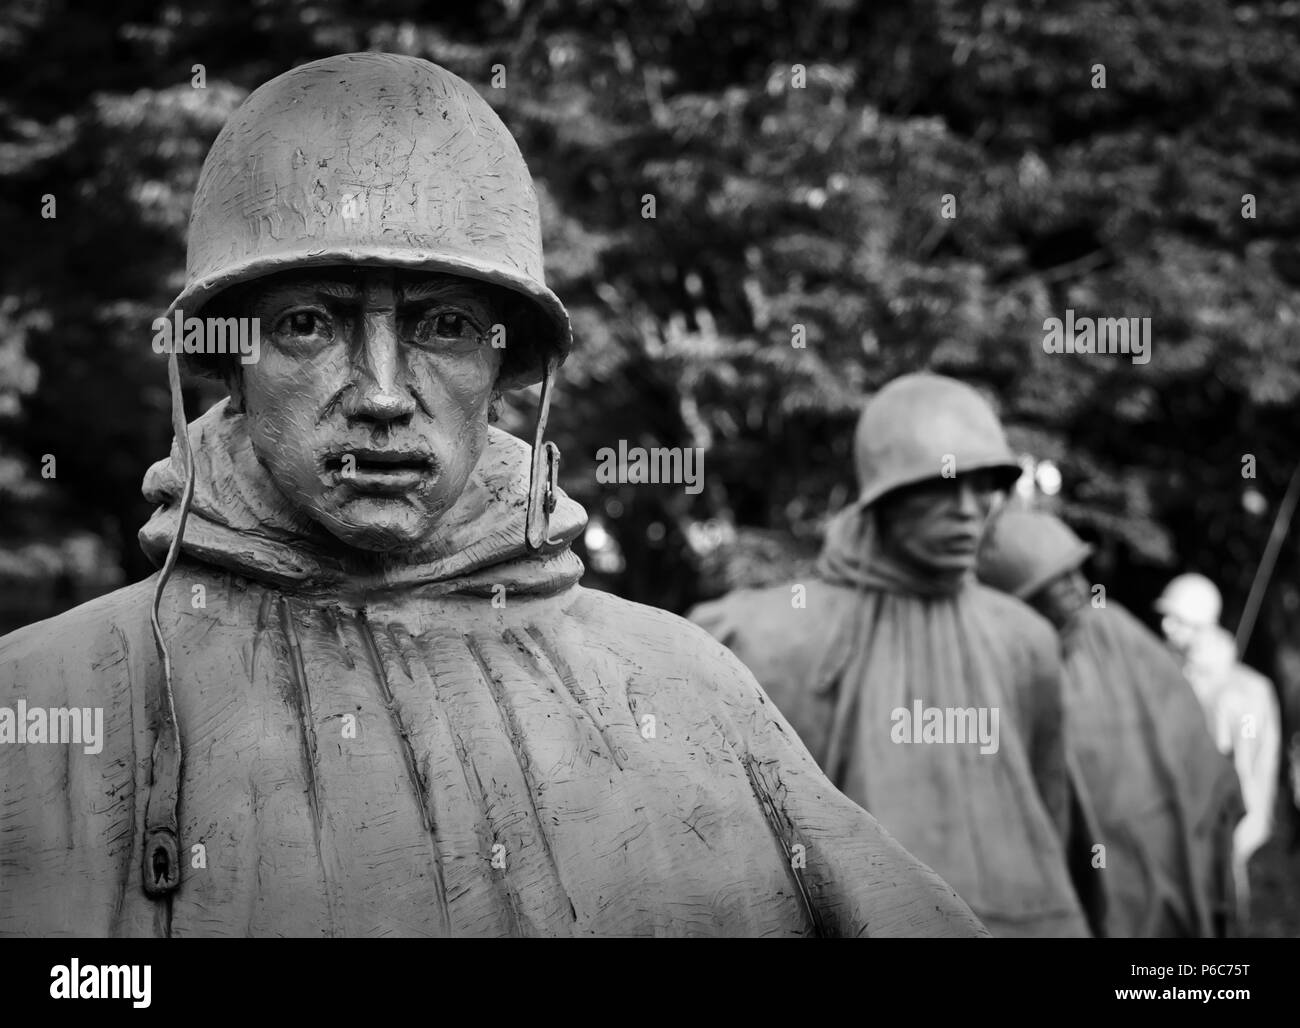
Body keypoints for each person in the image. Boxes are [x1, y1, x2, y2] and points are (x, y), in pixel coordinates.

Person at [0, 54, 984, 939]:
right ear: (228, 363)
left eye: (443, 326)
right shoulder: (47, 699)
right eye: (308, 323)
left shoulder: (686, 690)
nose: (382, 392)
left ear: (504, 367)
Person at [690, 373, 1090, 937]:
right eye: (942, 485)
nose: (969, 509)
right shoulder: (767, 634)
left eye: (985, 487)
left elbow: (1054, 814)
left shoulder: (1026, 638)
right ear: (884, 493)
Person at [978, 510, 1243, 936]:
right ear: (1020, 599)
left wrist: (1209, 800)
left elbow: (1185, 730)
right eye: (1059, 582)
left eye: (1076, 572)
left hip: (1161, 858)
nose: (1081, 588)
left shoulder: (1113, 631)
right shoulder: (998, 670)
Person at [1156, 575, 1280, 921]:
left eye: (1177, 619)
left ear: (1201, 622)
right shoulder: (1164, 678)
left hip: (1222, 836)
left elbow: (1252, 768)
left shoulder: (1245, 692)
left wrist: (1236, 840)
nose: (1165, 626)